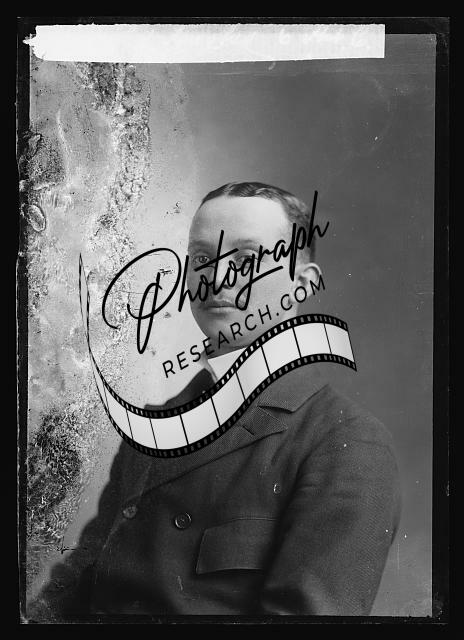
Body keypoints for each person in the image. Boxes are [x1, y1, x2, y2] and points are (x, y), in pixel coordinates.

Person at [28, 182, 402, 619]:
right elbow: (73, 587)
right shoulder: (155, 424)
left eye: (246, 259)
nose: (217, 278)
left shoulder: (346, 443)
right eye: (203, 258)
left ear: (302, 284)